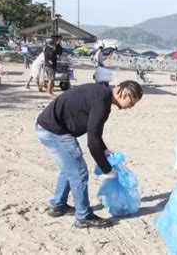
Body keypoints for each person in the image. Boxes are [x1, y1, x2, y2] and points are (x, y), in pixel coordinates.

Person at [36, 80, 143, 229]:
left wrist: (104, 149)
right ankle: (83, 217)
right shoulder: (102, 102)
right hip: (53, 131)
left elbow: (95, 132)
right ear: (125, 95)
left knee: (70, 167)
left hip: (53, 127)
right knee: (79, 173)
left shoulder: (102, 94)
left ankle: (58, 205)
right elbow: (92, 142)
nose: (129, 108)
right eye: (132, 104)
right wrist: (107, 170)